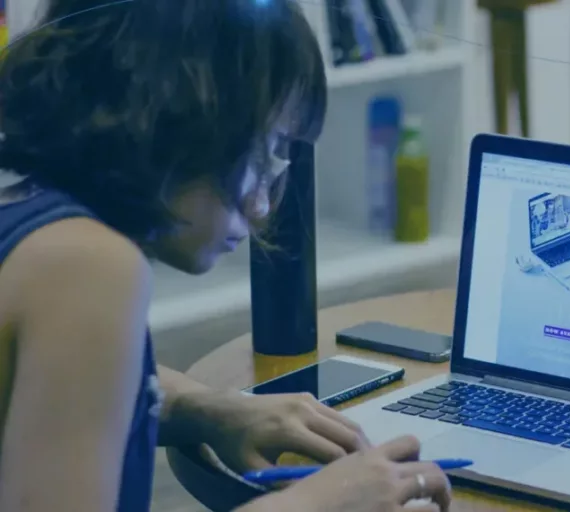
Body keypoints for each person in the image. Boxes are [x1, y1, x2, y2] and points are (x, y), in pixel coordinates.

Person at [0, 0, 451, 510]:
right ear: (178, 116)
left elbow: (58, 399)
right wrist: (317, 503)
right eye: (263, 152)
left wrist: (214, 410)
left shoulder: (28, 214)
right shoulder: (90, 268)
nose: (262, 205)